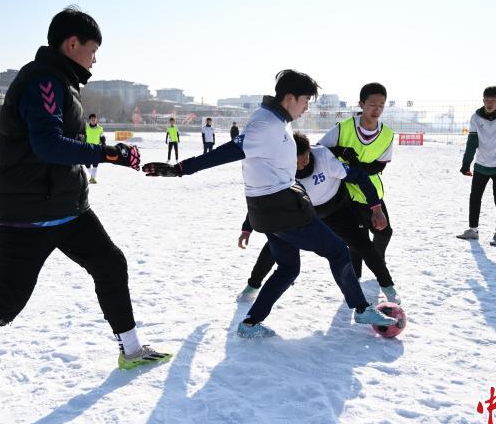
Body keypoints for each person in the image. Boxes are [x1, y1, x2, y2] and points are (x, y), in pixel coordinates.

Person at [0, 7, 171, 415]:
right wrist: (106, 153)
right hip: (28, 213)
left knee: (110, 264)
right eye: (92, 50)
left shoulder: (63, 82)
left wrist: (104, 153)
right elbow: (48, 144)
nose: (94, 59)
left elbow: (61, 142)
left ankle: (132, 348)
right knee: (6, 300)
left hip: (68, 207)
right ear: (71, 45)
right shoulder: (42, 82)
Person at [143, 69, 397, 338]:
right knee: (338, 251)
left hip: (265, 210)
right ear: (290, 97)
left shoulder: (276, 121)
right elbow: (229, 151)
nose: (306, 107)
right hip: (282, 206)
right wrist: (181, 168)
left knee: (288, 268)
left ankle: (250, 324)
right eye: (305, 101)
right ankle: (360, 308)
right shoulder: (265, 124)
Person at [236, 132, 401, 305]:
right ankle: (252, 286)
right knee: (274, 245)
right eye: (295, 163)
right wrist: (247, 228)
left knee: (363, 245)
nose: (300, 167)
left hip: (336, 209)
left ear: (310, 152)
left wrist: (376, 208)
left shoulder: (323, 156)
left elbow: (360, 177)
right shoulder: (279, 168)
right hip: (303, 212)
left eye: (305, 161)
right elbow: (265, 200)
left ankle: (388, 286)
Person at [318, 82, 395, 277]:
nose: (376, 109)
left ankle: (378, 261)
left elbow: (381, 164)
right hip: (345, 191)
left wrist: (359, 169)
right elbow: (319, 151)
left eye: (381, 105)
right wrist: (341, 152)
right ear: (361, 104)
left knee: (384, 232)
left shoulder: (387, 133)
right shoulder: (343, 128)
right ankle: (356, 275)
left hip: (371, 191)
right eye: (372, 104)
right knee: (356, 238)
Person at [457, 86, 496, 247]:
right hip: (481, 166)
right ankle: (473, 230)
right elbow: (472, 143)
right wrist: (466, 163)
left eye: (493, 100)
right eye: (486, 100)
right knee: (475, 198)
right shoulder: (476, 118)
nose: (489, 103)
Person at [84, 113, 105, 183]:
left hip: (97, 148)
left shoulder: (100, 128)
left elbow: (102, 138)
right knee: (87, 164)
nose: (93, 120)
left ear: (96, 120)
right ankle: (92, 176)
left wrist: (104, 146)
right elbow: (83, 137)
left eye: (94, 119)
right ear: (89, 120)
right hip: (87, 147)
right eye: (91, 119)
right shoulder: (86, 128)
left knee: (95, 164)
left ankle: (92, 178)